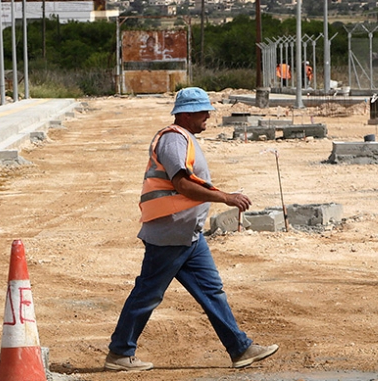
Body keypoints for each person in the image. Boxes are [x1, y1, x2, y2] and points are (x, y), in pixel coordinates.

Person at [104, 87, 279, 372]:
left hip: (188, 235)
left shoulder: (185, 138)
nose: (207, 116)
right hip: (170, 233)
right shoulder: (174, 139)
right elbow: (182, 185)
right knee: (148, 294)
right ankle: (120, 353)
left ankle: (240, 348)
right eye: (202, 111)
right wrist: (225, 197)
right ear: (186, 114)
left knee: (212, 292)